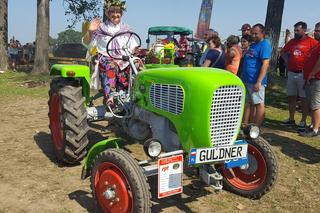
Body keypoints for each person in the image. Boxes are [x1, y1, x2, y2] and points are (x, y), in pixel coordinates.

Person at [82, 0, 140, 106]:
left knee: (138, 65)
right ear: (108, 13)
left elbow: (133, 45)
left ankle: (139, 94)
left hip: (123, 58)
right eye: (112, 12)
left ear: (121, 14)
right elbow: (88, 44)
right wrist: (90, 31)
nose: (115, 15)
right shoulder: (101, 29)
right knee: (111, 66)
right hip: (106, 56)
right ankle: (111, 97)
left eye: (118, 13)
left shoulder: (126, 29)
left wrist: (136, 50)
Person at [280, 21, 318, 129]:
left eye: (298, 30)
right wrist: (287, 61)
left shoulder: (312, 42)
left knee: (303, 98)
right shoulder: (292, 41)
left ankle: (303, 121)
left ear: (304, 30)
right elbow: (282, 52)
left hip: (303, 74)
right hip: (292, 73)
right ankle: (291, 119)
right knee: (291, 96)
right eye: (295, 30)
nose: (295, 32)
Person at [242, 24, 272, 127]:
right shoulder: (254, 44)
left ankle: (256, 128)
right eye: (252, 33)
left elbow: (265, 64)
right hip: (247, 80)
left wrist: (259, 81)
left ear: (262, 33)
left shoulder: (265, 44)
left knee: (259, 104)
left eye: (256, 34)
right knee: (248, 103)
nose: (253, 35)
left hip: (256, 81)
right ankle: (247, 125)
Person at [299, 42, 320, 137]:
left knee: (315, 105)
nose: (316, 32)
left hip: (317, 79)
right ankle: (313, 125)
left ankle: (315, 130)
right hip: (310, 78)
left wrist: (312, 74)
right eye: (315, 30)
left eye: (318, 31)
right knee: (312, 105)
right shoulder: (317, 45)